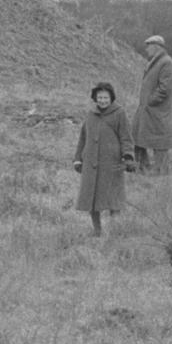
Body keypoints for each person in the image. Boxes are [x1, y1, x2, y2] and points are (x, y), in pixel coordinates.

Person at [73, 82, 134, 236]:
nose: (102, 100)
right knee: (92, 199)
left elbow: (126, 137)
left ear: (111, 97)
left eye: (105, 97)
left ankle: (115, 231)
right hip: (91, 163)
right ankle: (97, 231)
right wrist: (78, 158)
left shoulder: (120, 113)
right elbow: (83, 138)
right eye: (99, 97)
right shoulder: (90, 114)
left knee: (114, 199)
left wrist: (128, 157)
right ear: (95, 98)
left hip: (111, 163)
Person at [133, 35, 172, 175]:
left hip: (157, 111)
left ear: (156, 47)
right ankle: (142, 168)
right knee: (138, 137)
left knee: (160, 142)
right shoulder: (156, 61)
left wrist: (151, 101)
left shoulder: (166, 62)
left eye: (148, 46)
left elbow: (165, 89)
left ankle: (161, 172)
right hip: (147, 110)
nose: (146, 49)